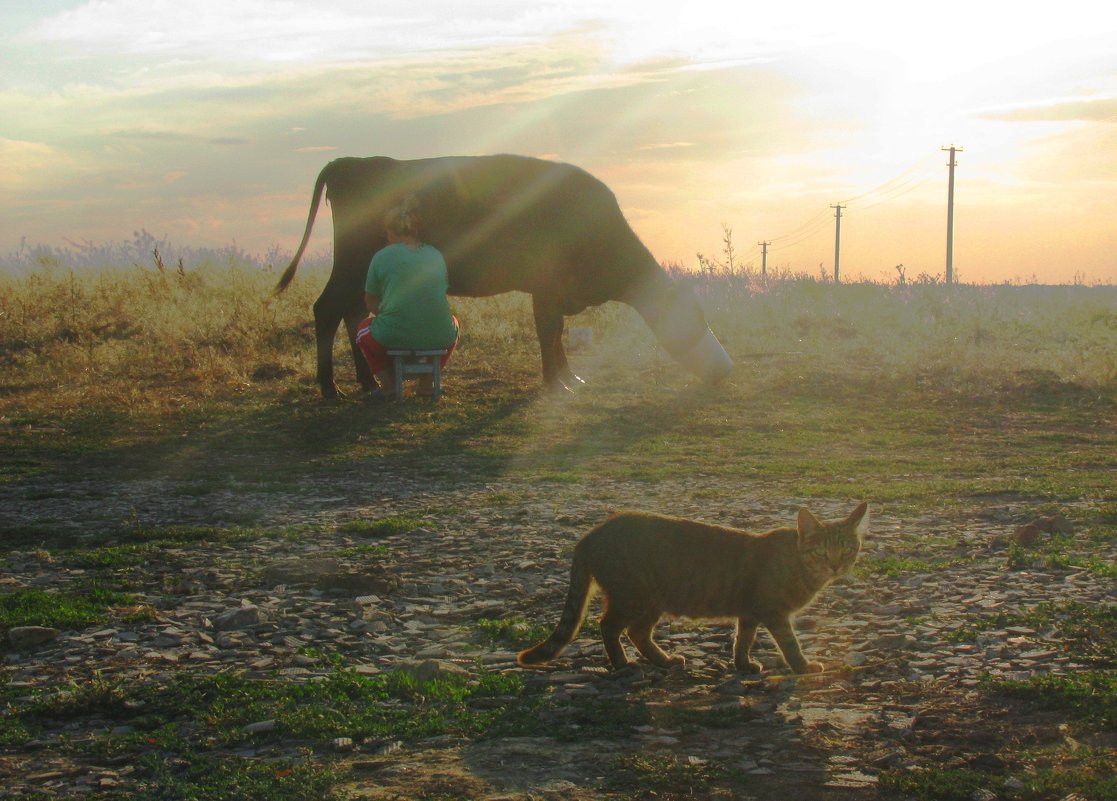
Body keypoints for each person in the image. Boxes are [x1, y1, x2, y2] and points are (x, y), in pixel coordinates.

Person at [354, 197, 460, 398]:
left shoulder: (381, 257)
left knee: (362, 331)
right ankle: (428, 384)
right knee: (454, 325)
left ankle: (388, 385)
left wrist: (390, 316)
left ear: (391, 232)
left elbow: (370, 301)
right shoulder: (436, 255)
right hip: (438, 333)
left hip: (393, 333)